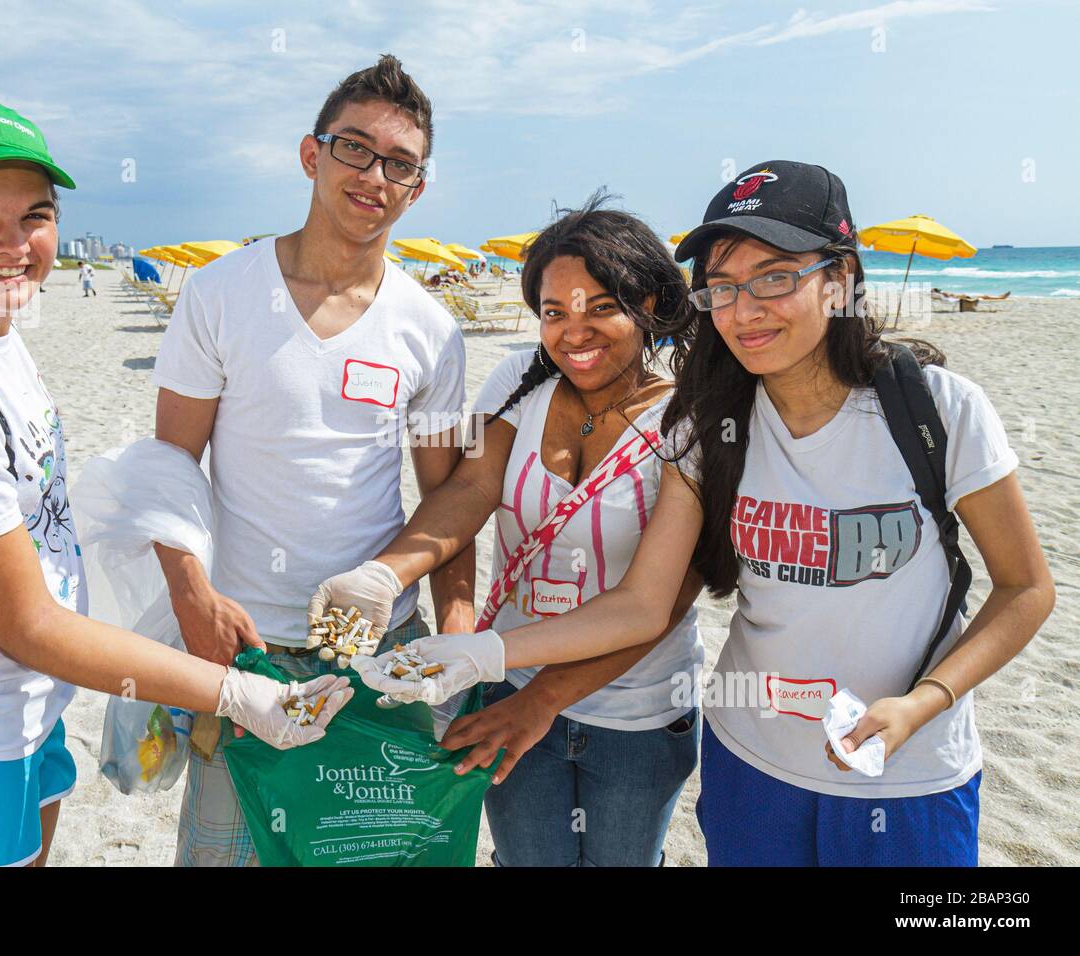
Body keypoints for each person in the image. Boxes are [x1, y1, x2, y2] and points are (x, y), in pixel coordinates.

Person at [349, 161, 1055, 866]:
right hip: (752, 763)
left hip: (900, 771)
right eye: (723, 287)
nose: (745, 309)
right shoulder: (713, 423)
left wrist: (925, 701)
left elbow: (1026, 588)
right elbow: (631, 594)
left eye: (775, 278)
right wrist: (458, 632)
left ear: (839, 280)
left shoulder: (933, 408)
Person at [0, 93, 351, 868]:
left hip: (20, 718)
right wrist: (232, 694)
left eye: (34, 215)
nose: (13, 242)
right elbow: (24, 624)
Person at [148, 55, 473, 867]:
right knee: (223, 852)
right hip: (244, 648)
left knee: (366, 854)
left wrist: (457, 638)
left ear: (418, 189)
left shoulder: (429, 328)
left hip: (380, 654)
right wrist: (192, 601)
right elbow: (169, 469)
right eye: (354, 149)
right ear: (311, 154)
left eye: (400, 164)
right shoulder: (219, 292)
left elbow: (453, 501)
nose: (374, 176)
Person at [313, 194, 705, 866]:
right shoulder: (516, 382)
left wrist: (539, 695)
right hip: (507, 686)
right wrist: (386, 574)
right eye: (553, 312)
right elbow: (467, 491)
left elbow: (664, 601)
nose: (572, 332)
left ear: (651, 307)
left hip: (638, 714)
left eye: (600, 307)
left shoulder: (692, 421)